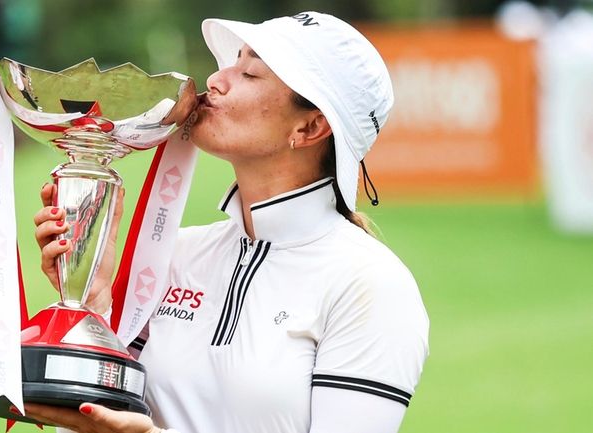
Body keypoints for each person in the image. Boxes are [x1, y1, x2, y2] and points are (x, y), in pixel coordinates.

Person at [27, 11, 429, 433]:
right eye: (233, 60)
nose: (217, 79)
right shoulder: (175, 253)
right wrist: (92, 305)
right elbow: (94, 421)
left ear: (310, 126)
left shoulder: (373, 285)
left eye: (251, 73)